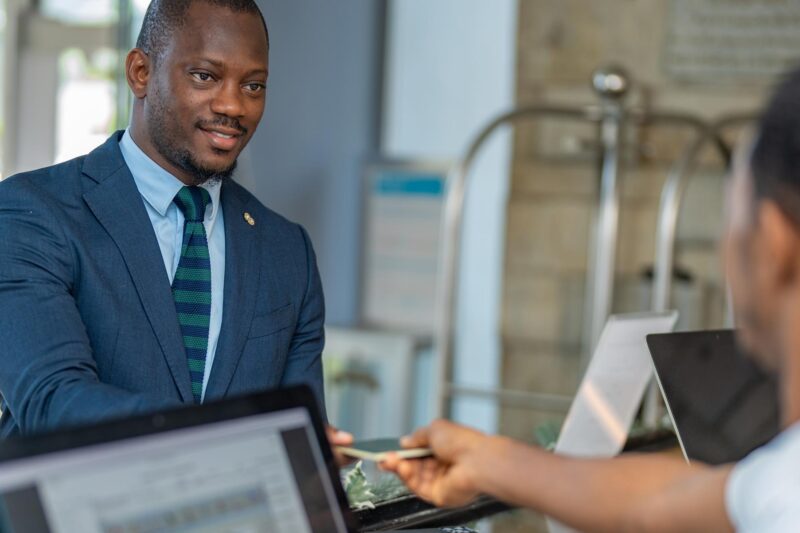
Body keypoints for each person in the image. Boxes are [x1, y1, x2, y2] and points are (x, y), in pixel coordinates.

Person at [383, 70, 800, 532]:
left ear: (772, 245)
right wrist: (490, 461)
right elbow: (667, 497)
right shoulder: (781, 478)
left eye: (730, 217)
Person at [0, 0, 351, 452]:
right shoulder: (33, 213)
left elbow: (299, 434)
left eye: (253, 85)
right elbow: (52, 403)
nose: (232, 105)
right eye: (205, 76)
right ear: (140, 72)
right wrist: (225, 434)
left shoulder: (287, 250)